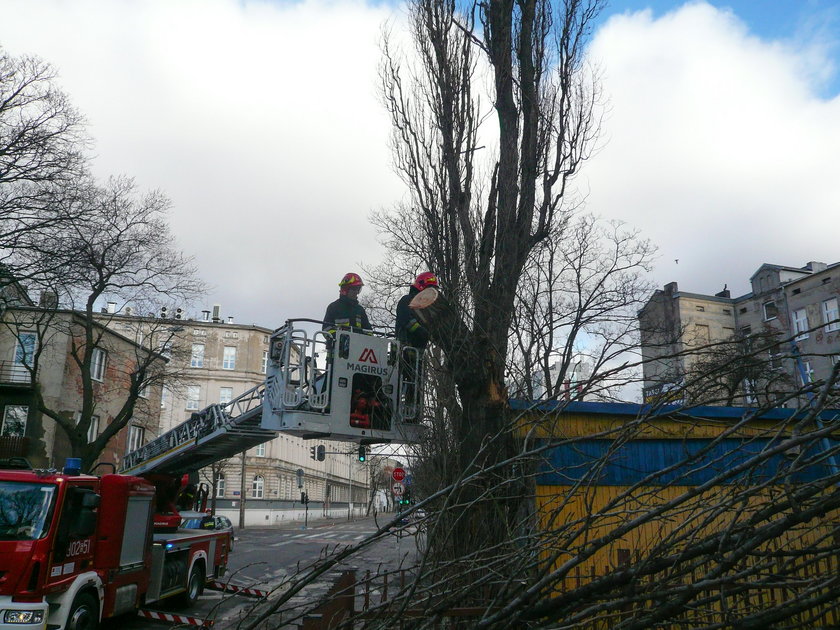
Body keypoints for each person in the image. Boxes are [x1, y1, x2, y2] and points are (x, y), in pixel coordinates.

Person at [395, 272, 438, 348]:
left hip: (418, 352)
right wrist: (420, 330)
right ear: (421, 286)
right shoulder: (407, 300)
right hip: (403, 347)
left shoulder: (427, 308)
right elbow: (405, 319)